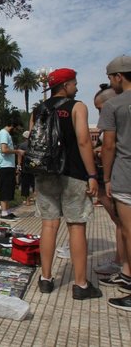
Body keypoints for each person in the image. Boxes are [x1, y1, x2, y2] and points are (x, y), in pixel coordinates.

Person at [32, 68, 101, 300]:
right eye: (74, 83)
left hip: (45, 174)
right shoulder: (77, 107)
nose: (77, 87)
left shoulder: (38, 110)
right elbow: (83, 141)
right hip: (73, 173)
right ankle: (81, 285)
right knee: (76, 225)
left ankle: (46, 279)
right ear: (65, 85)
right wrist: (93, 174)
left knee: (49, 225)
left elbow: (34, 142)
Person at [97, 56, 131, 310]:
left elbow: (108, 146)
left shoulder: (115, 106)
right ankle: (127, 275)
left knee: (129, 231)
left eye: (110, 78)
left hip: (125, 174)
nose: (111, 82)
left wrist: (106, 177)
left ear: (119, 76)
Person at [93, 83, 124, 276]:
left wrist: (105, 178)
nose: (99, 115)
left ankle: (122, 264)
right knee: (121, 223)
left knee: (122, 222)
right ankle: (121, 262)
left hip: (117, 177)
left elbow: (109, 147)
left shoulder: (116, 121)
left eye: (99, 109)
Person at [0, 120, 24, 221]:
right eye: (16, 129)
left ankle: (7, 211)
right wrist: (17, 151)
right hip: (4, 165)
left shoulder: (6, 134)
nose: (16, 132)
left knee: (9, 189)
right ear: (12, 125)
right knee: (5, 189)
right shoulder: (4, 134)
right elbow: (4, 149)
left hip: (8, 165)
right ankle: (4, 212)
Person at [18, 130, 36, 206]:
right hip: (34, 166)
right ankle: (36, 199)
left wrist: (18, 166)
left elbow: (19, 156)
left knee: (25, 184)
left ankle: (27, 201)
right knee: (34, 183)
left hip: (25, 167)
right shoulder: (34, 144)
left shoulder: (22, 145)